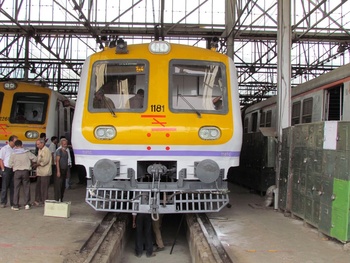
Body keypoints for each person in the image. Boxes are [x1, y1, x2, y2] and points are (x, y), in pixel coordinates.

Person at [8, 140, 37, 210]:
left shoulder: (13, 154)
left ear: (15, 145)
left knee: (16, 188)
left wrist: (15, 165)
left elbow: (10, 164)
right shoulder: (26, 152)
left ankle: (15, 205)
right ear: (22, 145)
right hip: (25, 172)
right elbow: (35, 159)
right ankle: (27, 204)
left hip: (17, 172)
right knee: (26, 187)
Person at [33, 138, 52, 206]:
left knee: (44, 188)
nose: (37, 145)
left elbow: (45, 161)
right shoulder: (39, 150)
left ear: (42, 143)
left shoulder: (46, 150)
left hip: (45, 172)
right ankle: (37, 200)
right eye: (36, 144)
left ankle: (44, 201)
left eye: (38, 144)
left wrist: (36, 165)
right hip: (40, 172)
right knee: (38, 187)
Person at [0, 135, 18, 208]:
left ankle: (13, 202)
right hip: (6, 168)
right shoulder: (4, 149)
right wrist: (3, 169)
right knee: (5, 186)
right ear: (11, 141)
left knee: (13, 186)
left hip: (13, 169)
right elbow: (1, 159)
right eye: (15, 141)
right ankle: (3, 202)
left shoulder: (15, 149)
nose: (16, 142)